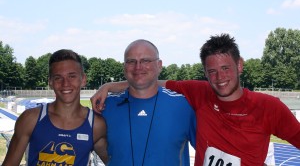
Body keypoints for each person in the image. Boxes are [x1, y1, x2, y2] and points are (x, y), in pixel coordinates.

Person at [91, 34, 300, 166]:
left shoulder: (268, 106)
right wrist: (108, 86)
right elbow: (149, 80)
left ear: (240, 65)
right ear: (206, 74)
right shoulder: (200, 93)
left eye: (226, 68)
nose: (220, 78)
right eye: (212, 71)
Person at [3, 49, 108, 166]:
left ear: (83, 80)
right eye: (58, 78)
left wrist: (110, 86)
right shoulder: (30, 119)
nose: (65, 83)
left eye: (72, 76)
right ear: (50, 82)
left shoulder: (95, 124)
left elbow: (117, 161)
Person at [101, 39, 196, 166]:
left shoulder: (183, 106)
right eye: (131, 61)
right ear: (124, 67)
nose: (138, 67)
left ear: (159, 65)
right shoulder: (105, 106)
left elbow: (208, 150)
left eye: (145, 60)